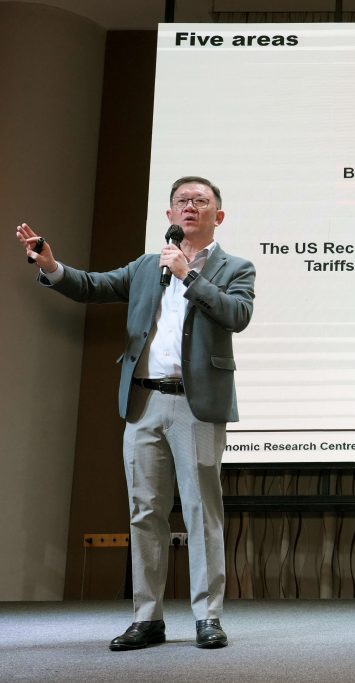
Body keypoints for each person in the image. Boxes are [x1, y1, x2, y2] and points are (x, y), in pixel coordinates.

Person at [16, 176, 255, 650]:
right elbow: (94, 286)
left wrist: (189, 276)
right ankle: (148, 618)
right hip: (144, 403)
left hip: (197, 405)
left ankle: (207, 617)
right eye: (182, 201)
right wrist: (52, 266)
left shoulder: (235, 267)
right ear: (169, 215)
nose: (190, 207)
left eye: (200, 201)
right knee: (145, 511)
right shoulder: (148, 265)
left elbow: (237, 315)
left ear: (218, 215)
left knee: (200, 511)